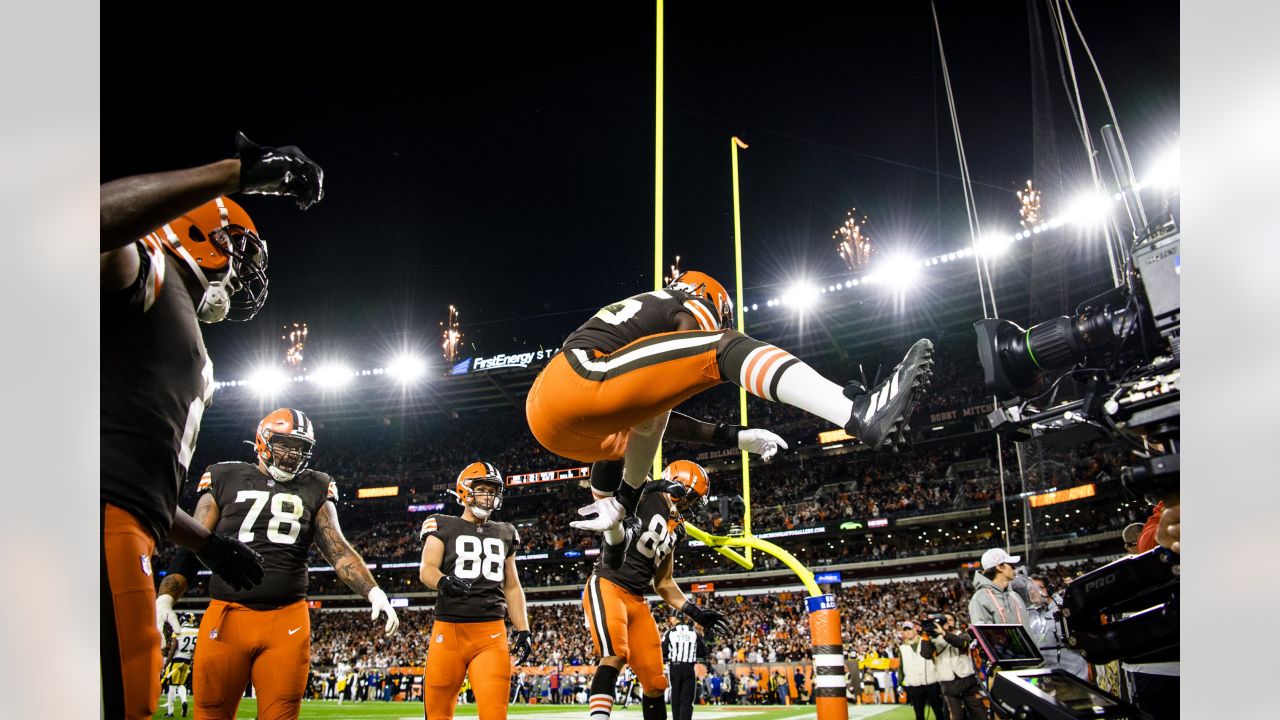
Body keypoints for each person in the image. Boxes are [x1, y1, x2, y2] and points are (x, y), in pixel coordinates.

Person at [102, 131, 322, 719]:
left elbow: (135, 479)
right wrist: (232, 174)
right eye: (238, 247)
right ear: (201, 235)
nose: (244, 267)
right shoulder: (147, 271)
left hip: (129, 524)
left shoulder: (180, 323)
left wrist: (206, 543)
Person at [526, 270, 935, 565]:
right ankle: (858, 411)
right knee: (725, 347)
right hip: (578, 378)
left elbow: (656, 412)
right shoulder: (691, 303)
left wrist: (736, 439)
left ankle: (617, 519)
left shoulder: (644, 316)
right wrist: (725, 370)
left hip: (554, 416)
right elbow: (702, 350)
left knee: (644, 422)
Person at [156, 408, 400, 720]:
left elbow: (337, 549)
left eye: (301, 449)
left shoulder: (317, 484)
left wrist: (374, 591)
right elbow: (194, 540)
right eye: (286, 445)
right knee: (211, 713)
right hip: (227, 614)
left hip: (288, 619)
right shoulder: (223, 475)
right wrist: (166, 597)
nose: (292, 456)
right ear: (263, 441)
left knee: (281, 715)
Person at [581, 460, 732, 720]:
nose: (690, 506)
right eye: (690, 498)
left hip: (637, 600)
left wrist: (695, 612)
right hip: (608, 584)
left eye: (695, 502)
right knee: (615, 655)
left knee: (655, 681)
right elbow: (610, 468)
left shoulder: (678, 529)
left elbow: (663, 582)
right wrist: (654, 486)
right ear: (674, 485)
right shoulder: (644, 491)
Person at [418, 462, 533, 719]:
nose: (488, 496)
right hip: (449, 632)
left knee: (494, 714)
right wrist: (443, 582)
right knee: (437, 714)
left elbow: (513, 586)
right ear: (464, 490)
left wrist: (523, 629)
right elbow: (426, 568)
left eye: (493, 491)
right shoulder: (441, 524)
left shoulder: (506, 532)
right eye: (482, 489)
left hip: (491, 633)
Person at [1026, 576, 1088, 679]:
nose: (1032, 592)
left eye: (1036, 588)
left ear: (1048, 589)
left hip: (1073, 674)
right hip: (1047, 676)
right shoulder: (1031, 613)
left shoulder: (1064, 608)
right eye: (1029, 589)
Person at [931, 613, 988, 719]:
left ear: (955, 622)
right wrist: (925, 636)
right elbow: (925, 654)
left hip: (967, 680)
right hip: (948, 682)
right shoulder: (933, 639)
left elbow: (961, 643)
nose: (947, 622)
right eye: (944, 620)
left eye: (950, 620)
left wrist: (944, 633)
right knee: (956, 716)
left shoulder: (963, 634)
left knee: (979, 713)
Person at [968, 548, 1031, 631]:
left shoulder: (1015, 595)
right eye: (1011, 565)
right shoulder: (979, 598)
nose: (1014, 568)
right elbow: (985, 637)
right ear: (999, 567)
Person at [899, 621, 945, 720]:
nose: (908, 632)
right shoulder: (902, 648)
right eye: (905, 630)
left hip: (931, 682)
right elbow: (901, 666)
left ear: (915, 629)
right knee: (919, 715)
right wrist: (900, 683)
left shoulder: (926, 640)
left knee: (939, 713)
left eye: (909, 629)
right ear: (902, 633)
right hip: (914, 684)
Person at [662, 616, 706, 720]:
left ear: (675, 619)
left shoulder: (670, 632)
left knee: (676, 698)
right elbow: (703, 652)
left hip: (675, 667)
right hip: (689, 667)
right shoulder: (693, 632)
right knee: (687, 700)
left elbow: (663, 651)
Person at [161, 613, 199, 718]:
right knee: (181, 684)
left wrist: (165, 664)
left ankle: (170, 712)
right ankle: (184, 701)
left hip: (177, 659)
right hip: (187, 661)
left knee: (172, 685)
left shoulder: (179, 631)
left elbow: (172, 650)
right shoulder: (197, 632)